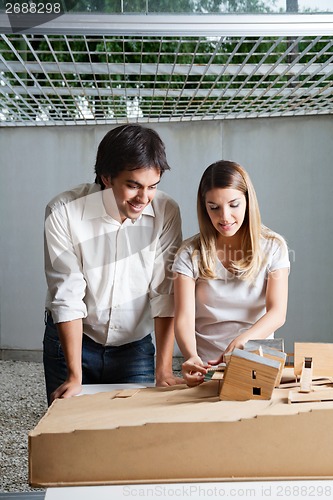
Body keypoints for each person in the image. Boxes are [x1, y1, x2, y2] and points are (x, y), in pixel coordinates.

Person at [43, 124, 183, 405]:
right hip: (72, 341)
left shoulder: (166, 212)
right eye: (133, 186)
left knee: (132, 439)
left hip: (135, 347)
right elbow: (67, 293)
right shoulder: (63, 211)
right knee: (68, 437)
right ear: (107, 177)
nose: (144, 198)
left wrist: (164, 368)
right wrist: (74, 375)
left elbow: (164, 292)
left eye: (152, 186)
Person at [172, 160, 290, 387]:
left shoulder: (274, 246)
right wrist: (191, 357)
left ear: (248, 201)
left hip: (259, 363)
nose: (224, 217)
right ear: (204, 207)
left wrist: (243, 340)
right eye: (213, 207)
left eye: (234, 204)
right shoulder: (189, 253)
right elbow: (184, 318)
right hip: (207, 368)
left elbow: (277, 313)